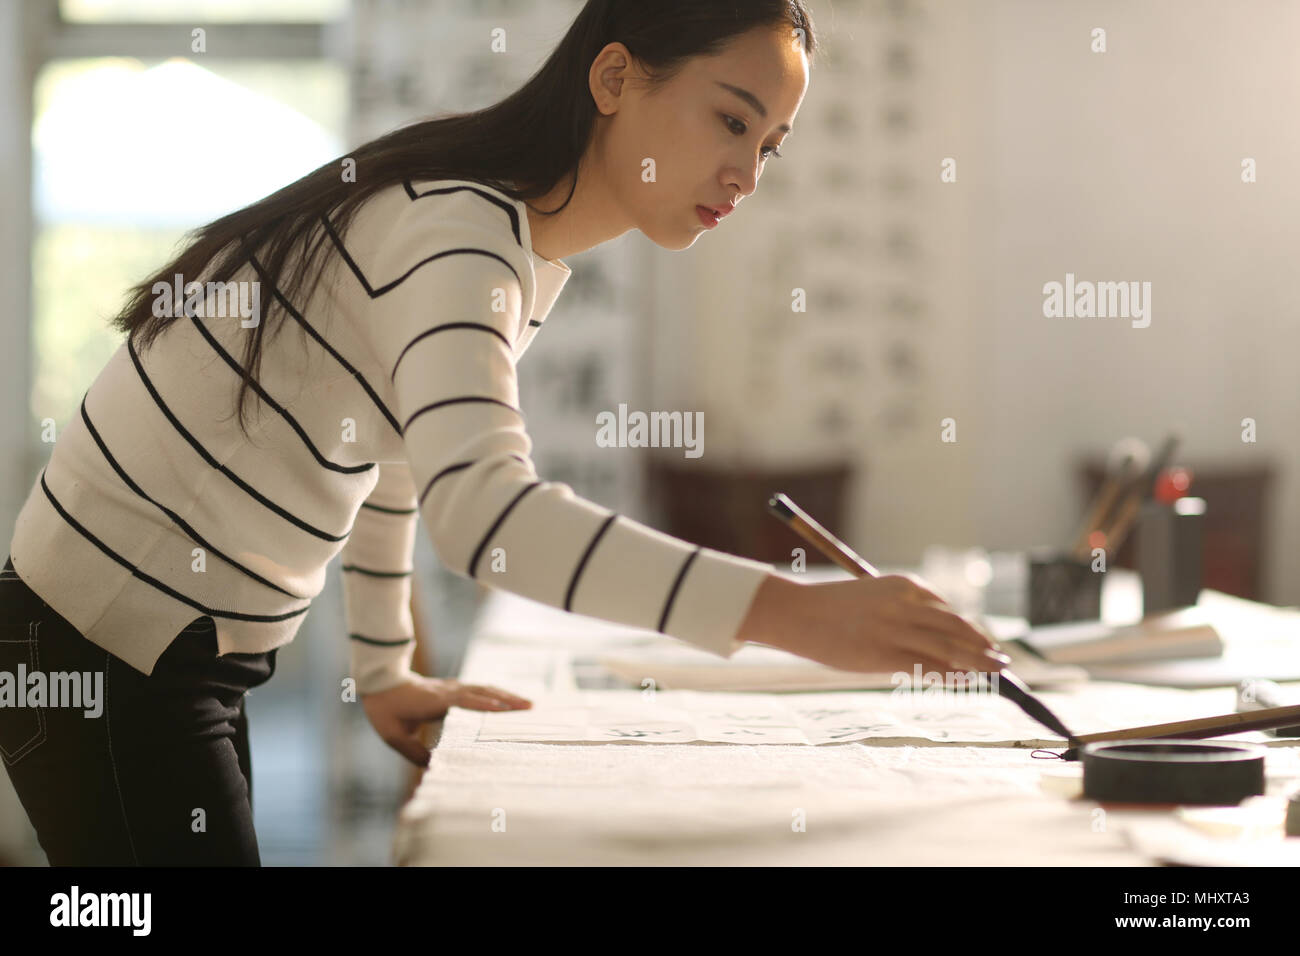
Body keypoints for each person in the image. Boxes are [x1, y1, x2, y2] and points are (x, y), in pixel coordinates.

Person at [0, 0, 1006, 866]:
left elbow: (389, 448)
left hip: (162, 640)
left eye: (768, 144)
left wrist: (387, 667)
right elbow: (484, 518)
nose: (745, 172)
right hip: (107, 633)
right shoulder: (462, 233)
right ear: (613, 77)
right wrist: (797, 615)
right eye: (730, 120)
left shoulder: (505, 245)